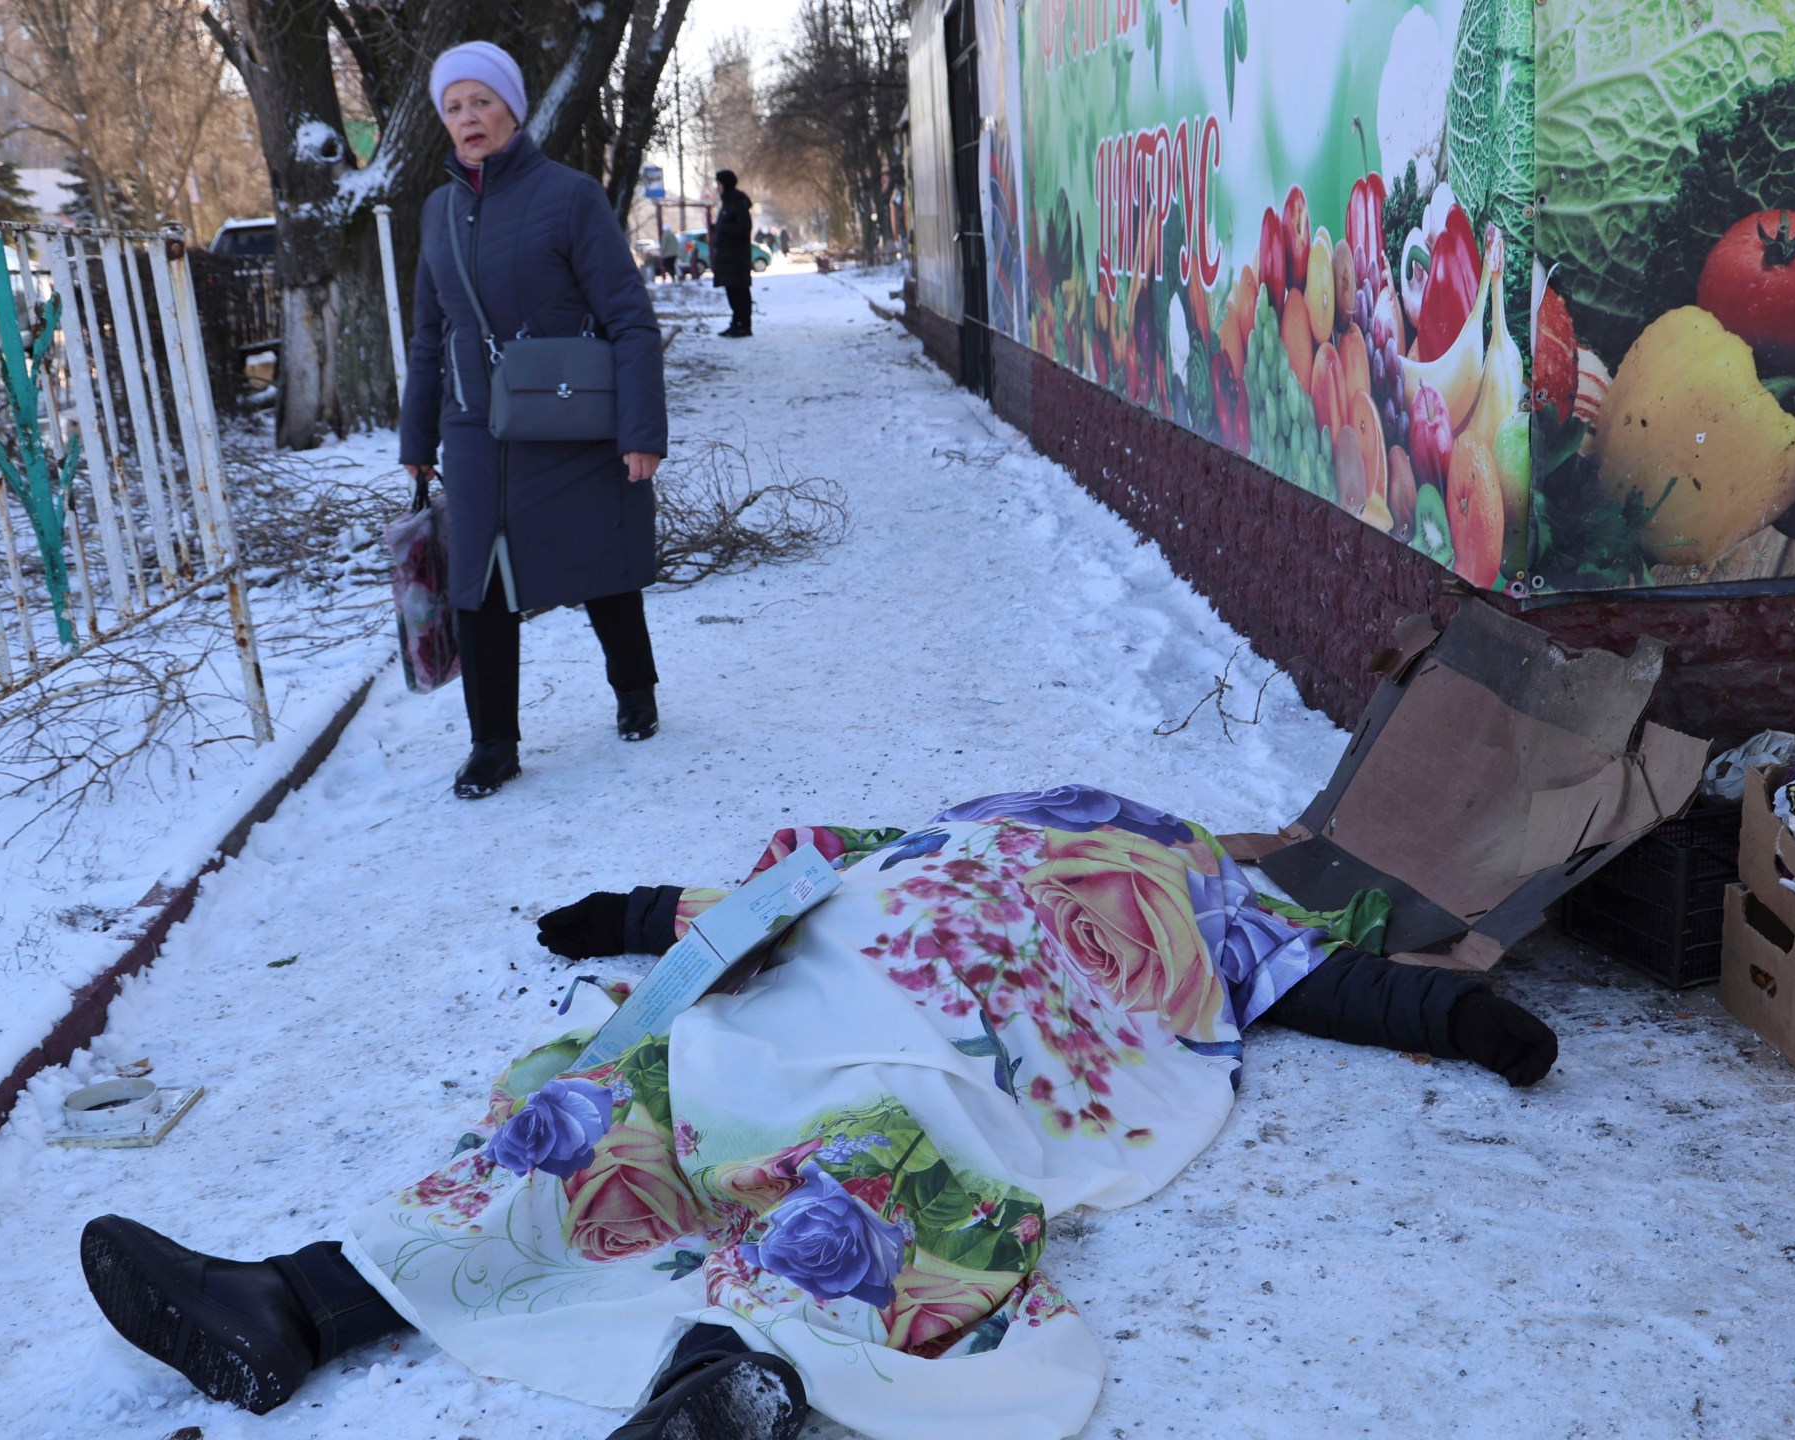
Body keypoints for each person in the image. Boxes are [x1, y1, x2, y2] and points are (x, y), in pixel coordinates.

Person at [80, 786, 1558, 1440]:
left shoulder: (1197, 886)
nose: (1069, 817)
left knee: (861, 1186)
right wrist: (632, 912)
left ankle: (718, 1396)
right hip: (789, 1003)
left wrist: (1467, 1019)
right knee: (590, 1121)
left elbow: (1323, 979)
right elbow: (770, 900)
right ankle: (294, 1305)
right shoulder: (927, 837)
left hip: (960, 1048)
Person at [397, 41, 670, 799]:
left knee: (600, 565)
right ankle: (493, 744)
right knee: (477, 588)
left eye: (480, 101)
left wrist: (642, 431)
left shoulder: (570, 195)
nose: (467, 118)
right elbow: (429, 335)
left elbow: (629, 319)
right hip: (476, 431)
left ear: (513, 109)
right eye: (453, 108)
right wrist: (417, 442)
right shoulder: (438, 212)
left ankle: (635, 690)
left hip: (569, 419)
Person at [710, 169, 754, 338]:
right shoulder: (728, 203)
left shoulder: (737, 202)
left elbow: (743, 228)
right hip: (728, 258)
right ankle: (736, 322)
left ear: (725, 184)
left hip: (736, 258)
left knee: (740, 292)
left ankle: (743, 325)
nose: (717, 188)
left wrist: (722, 229)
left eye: (719, 184)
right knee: (732, 292)